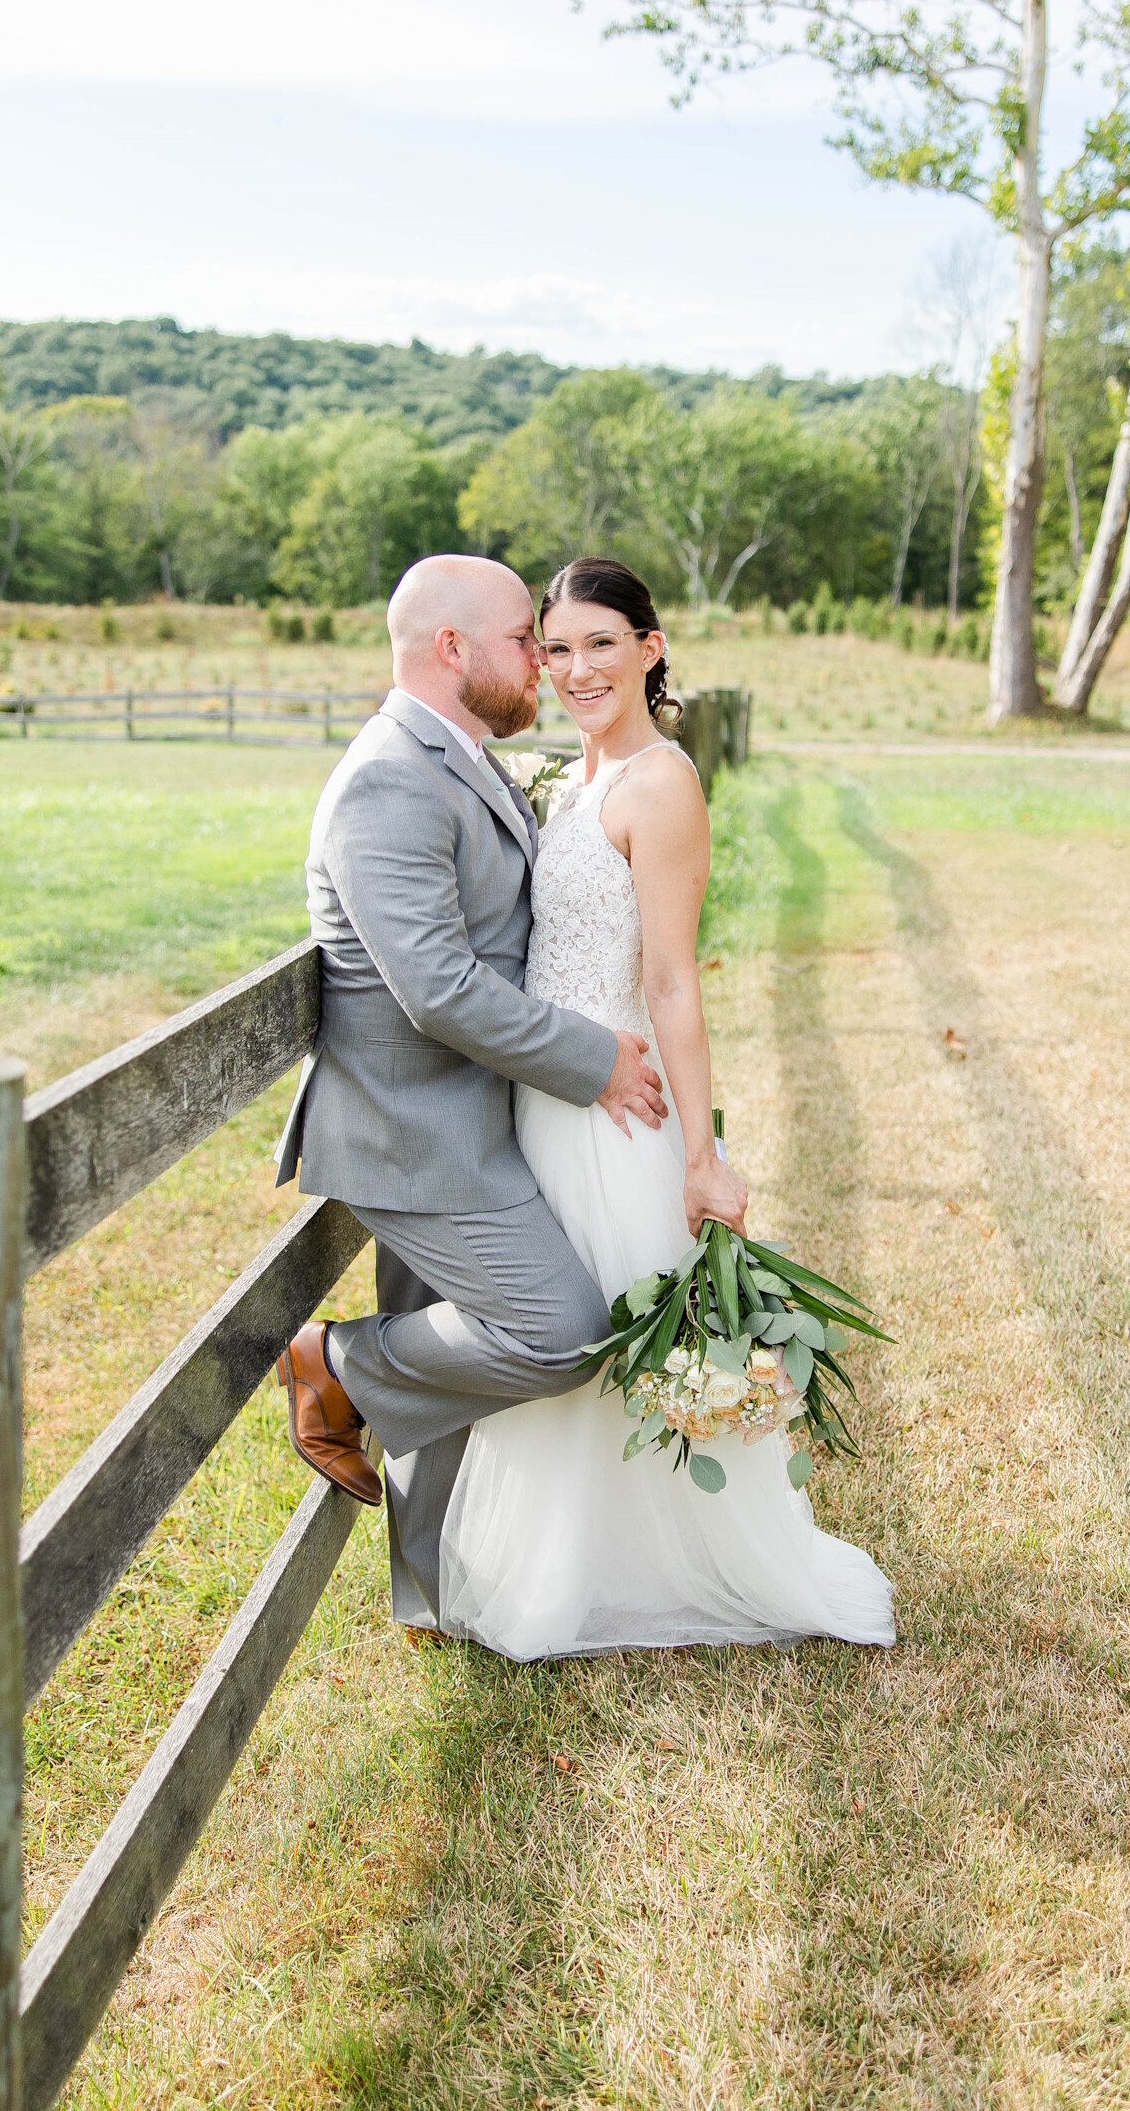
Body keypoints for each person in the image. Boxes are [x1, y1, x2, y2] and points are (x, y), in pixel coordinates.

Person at [437, 557, 895, 1656]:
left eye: (602, 643)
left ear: (651, 648)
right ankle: (568, 1566)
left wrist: (702, 1153)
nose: (578, 668)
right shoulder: (569, 777)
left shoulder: (661, 784)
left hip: (617, 1111)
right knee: (562, 1330)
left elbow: (674, 980)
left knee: (608, 1321)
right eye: (556, 648)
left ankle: (651, 1569)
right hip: (546, 1097)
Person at [273, 553, 668, 1630]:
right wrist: (593, 1058)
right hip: (417, 1131)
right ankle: (334, 1364)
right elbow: (438, 988)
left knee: (445, 1345)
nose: (542, 660)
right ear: (451, 648)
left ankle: (434, 1592)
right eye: (522, 640)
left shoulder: (461, 756)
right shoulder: (387, 780)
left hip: (472, 1111)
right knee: (563, 1332)